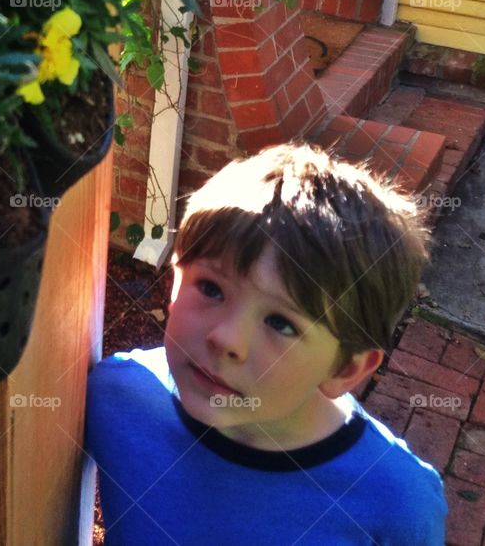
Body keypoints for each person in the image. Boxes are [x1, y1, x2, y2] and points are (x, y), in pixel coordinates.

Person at [85, 142, 448, 545]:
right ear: (174, 282)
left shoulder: (396, 504)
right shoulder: (113, 397)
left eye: (281, 323)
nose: (226, 338)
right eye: (210, 287)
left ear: (345, 369)